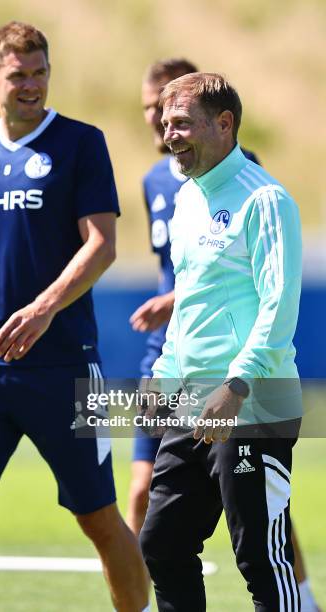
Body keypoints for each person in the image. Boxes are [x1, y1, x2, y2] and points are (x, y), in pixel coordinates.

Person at [0, 21, 149, 612]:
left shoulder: (80, 143)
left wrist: (45, 309)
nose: (32, 85)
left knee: (97, 518)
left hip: (65, 366)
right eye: (19, 75)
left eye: (40, 72)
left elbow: (102, 244)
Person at [128, 60, 321, 612]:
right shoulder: (188, 198)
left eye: (182, 123)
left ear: (225, 124)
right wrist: (162, 377)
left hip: (252, 404)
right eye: (166, 124)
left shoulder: (266, 200)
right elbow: (189, 303)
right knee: (162, 543)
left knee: (261, 557)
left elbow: (280, 307)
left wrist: (235, 385)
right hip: (193, 402)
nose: (169, 136)